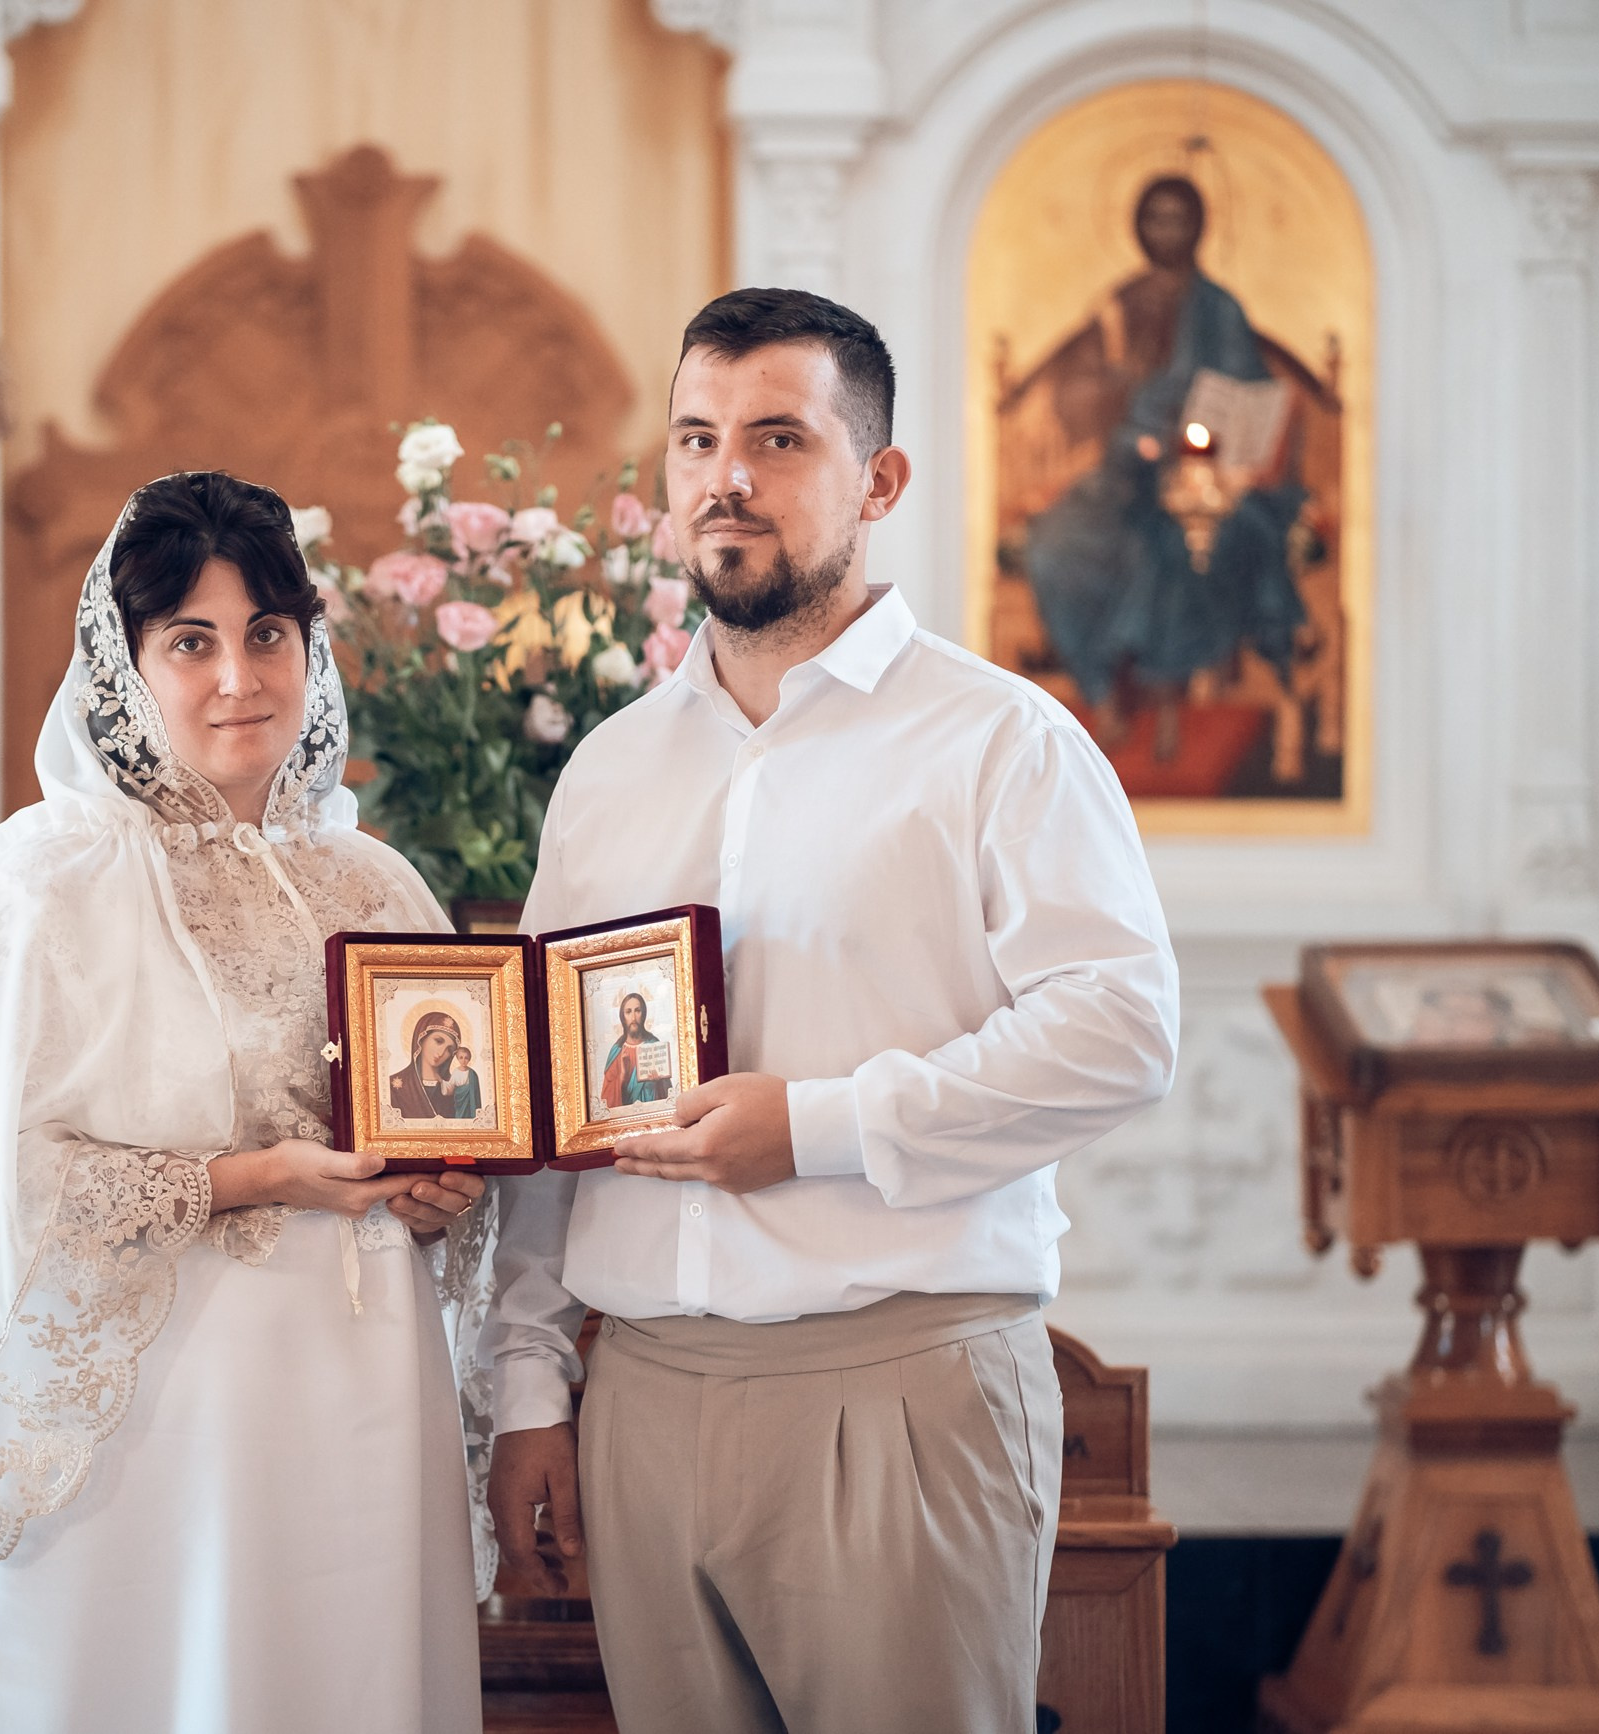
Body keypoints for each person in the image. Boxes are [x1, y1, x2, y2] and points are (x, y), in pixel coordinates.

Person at [482, 289, 1179, 1734]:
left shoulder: (999, 739)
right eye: (697, 438)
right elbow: (552, 1094)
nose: (725, 476)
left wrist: (816, 1126)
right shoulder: (608, 769)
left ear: (879, 479)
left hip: (899, 1385)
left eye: (778, 438)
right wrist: (532, 1383)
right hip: (644, 1395)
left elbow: (1118, 1028)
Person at [0, 471, 492, 1734]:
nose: (239, 678)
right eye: (191, 641)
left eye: (267, 635)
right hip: (149, 1427)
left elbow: (449, 1136)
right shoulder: (46, 881)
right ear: (124, 667)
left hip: (359, 1396)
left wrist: (440, 1194)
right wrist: (256, 1178)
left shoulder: (376, 882)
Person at [1020, 174, 1308, 758]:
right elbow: (1075, 396)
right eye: (1155, 218)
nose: (1166, 232)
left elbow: (1250, 392)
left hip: (1210, 478)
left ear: (1199, 227)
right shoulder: (1119, 306)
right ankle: (1100, 693)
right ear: (1137, 227)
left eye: (1178, 219)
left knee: (1178, 546)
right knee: (1053, 547)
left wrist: (1199, 426)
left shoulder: (1218, 310)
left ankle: (1167, 700)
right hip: (1126, 475)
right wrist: (1118, 391)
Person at [391, 1010, 480, 1120]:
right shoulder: (394, 1087)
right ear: (421, 1039)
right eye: (438, 1041)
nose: (441, 1052)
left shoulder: (455, 1087)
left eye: (449, 1049)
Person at [598, 991, 670, 1111]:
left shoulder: (654, 1046)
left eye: (637, 1011)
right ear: (622, 1017)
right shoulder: (616, 1052)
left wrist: (659, 1082)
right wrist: (622, 1076)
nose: (633, 1018)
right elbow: (608, 1104)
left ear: (644, 1014)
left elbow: (669, 1097)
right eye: (628, 1012)